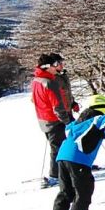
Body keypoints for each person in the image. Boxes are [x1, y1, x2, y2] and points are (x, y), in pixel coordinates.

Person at [46, 94, 105, 210]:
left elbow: (68, 130)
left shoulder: (79, 121)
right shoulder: (99, 117)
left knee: (66, 190)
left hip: (62, 156)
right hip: (78, 159)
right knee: (84, 189)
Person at [31, 52, 77, 187]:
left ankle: (69, 168)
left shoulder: (37, 80)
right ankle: (55, 175)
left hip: (45, 119)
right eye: (55, 64)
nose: (57, 67)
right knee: (58, 147)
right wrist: (67, 120)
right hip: (54, 120)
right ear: (47, 66)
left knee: (61, 145)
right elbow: (56, 105)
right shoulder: (49, 82)